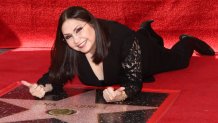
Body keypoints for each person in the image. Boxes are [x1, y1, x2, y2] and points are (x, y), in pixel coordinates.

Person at [21, 6, 215, 102]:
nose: (76, 40)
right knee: (142, 37)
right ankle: (146, 32)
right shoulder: (71, 48)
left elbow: (133, 82)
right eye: (68, 36)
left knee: (178, 61)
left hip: (141, 53)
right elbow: (56, 75)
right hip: (131, 41)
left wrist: (121, 95)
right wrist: (43, 87)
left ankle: (187, 40)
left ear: (92, 24)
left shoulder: (121, 36)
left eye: (79, 30)